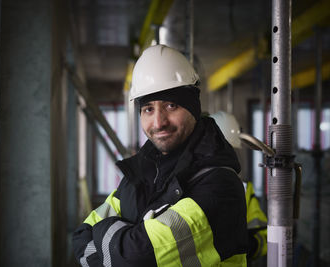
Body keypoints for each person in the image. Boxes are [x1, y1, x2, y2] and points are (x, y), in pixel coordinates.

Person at [72, 45, 248, 267]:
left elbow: (134, 259)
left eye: (171, 105)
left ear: (193, 107)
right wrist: (121, 242)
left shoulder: (219, 186)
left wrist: (107, 235)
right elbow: (80, 238)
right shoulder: (142, 173)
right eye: (148, 109)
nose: (158, 122)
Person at [210, 111, 268, 261]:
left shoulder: (243, 187)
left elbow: (262, 235)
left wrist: (250, 245)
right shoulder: (186, 184)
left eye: (229, 150)